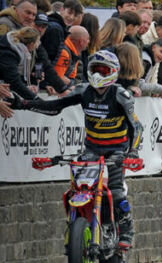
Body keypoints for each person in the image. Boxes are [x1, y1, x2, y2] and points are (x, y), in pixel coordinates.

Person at [13, 51, 144, 248]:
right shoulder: (83, 90)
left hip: (117, 150)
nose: (98, 75)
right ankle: (79, 226)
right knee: (79, 188)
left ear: (113, 72)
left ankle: (127, 229)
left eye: (103, 70)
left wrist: (133, 153)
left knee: (117, 192)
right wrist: (23, 104)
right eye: (95, 70)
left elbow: (137, 127)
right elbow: (55, 106)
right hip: (92, 149)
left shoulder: (121, 95)